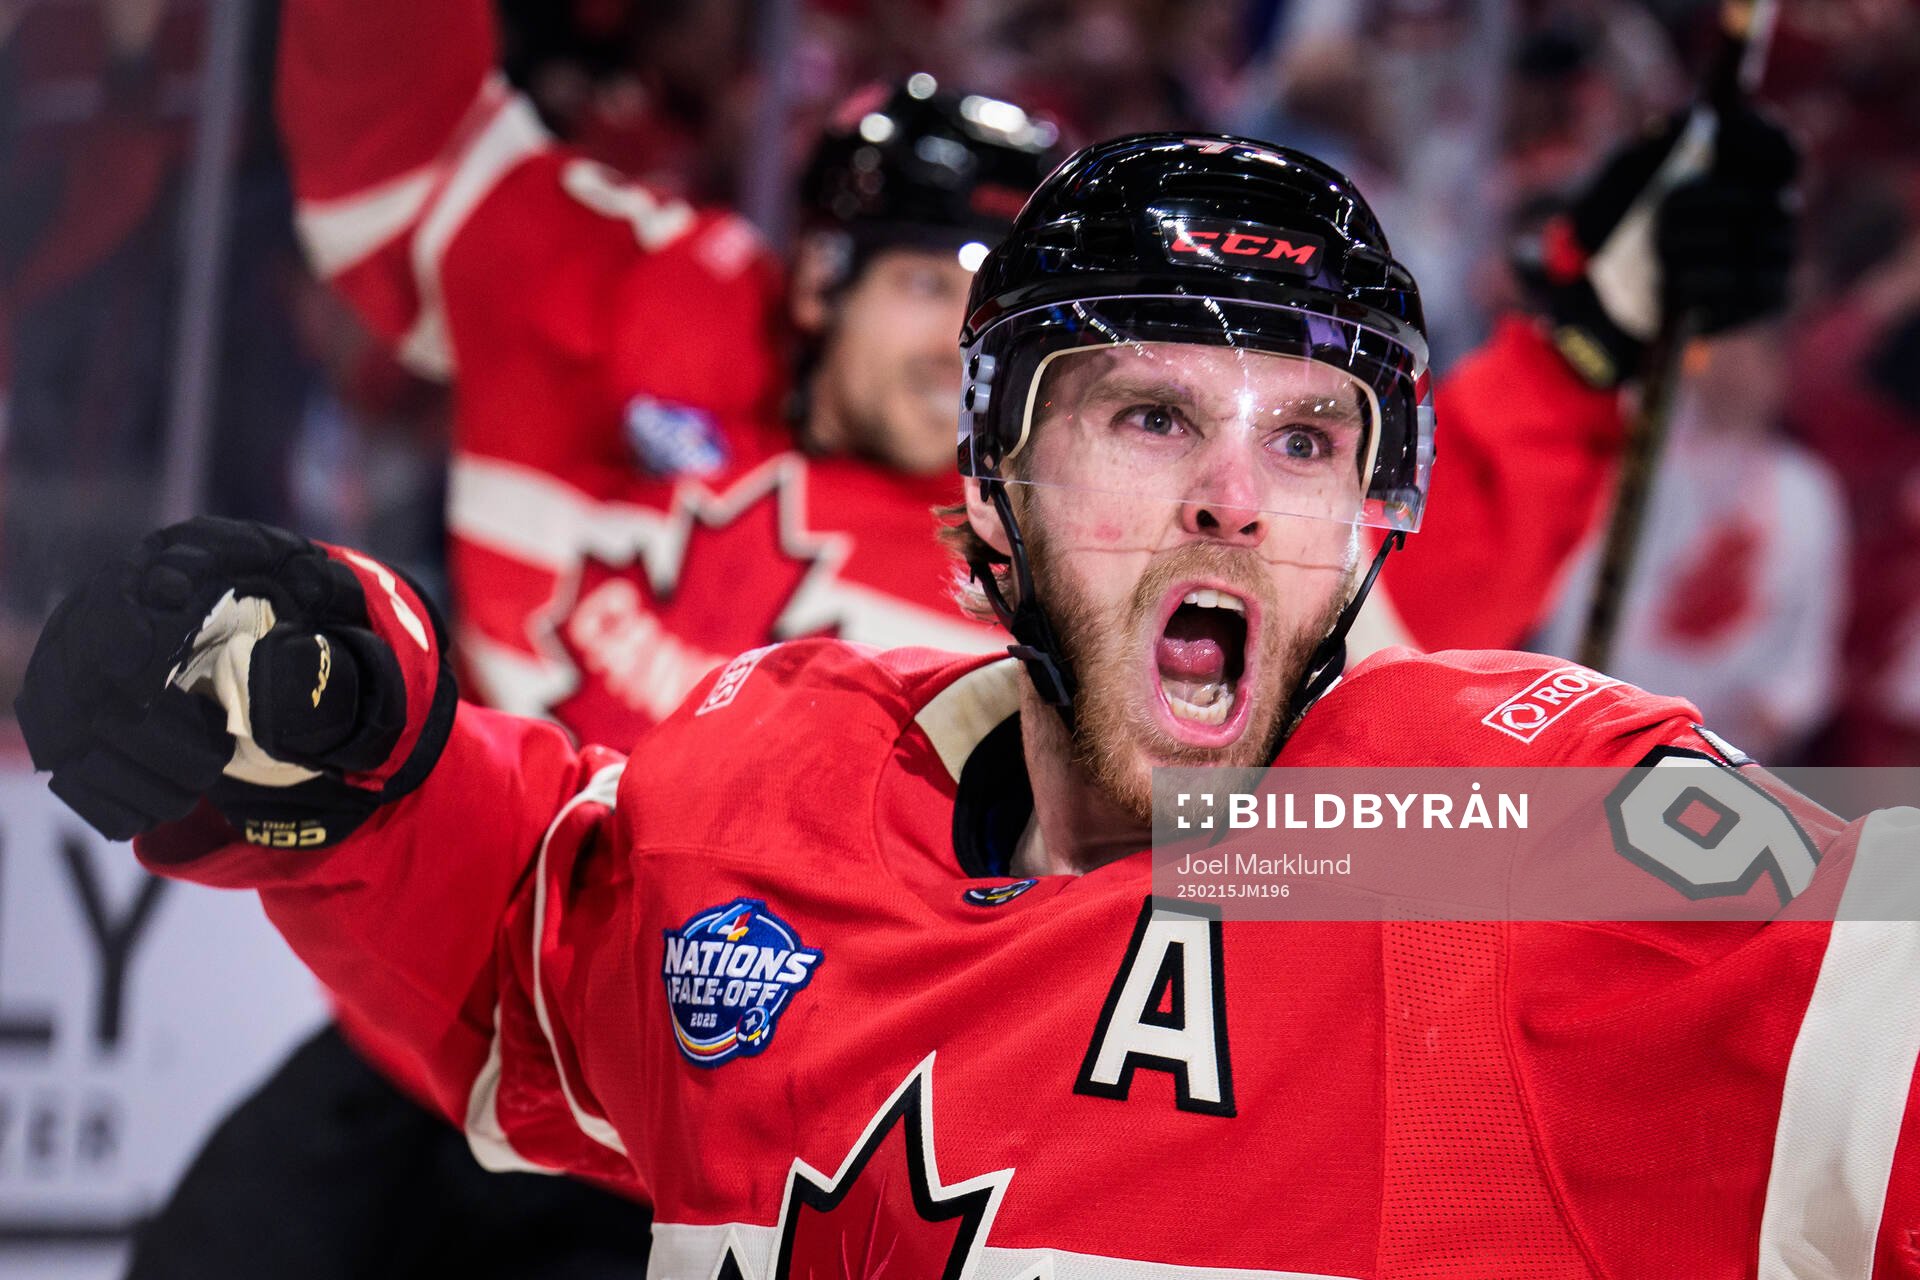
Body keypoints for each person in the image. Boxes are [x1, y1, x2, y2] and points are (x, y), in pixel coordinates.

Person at [20, 132, 1911, 1275]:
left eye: (1307, 438)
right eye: (1151, 415)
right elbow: (548, 950)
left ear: (1367, 519)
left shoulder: (1466, 836)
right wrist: (355, 751)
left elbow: (1860, 974)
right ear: (990, 493)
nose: (1233, 495)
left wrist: (1583, 340)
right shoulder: (788, 784)